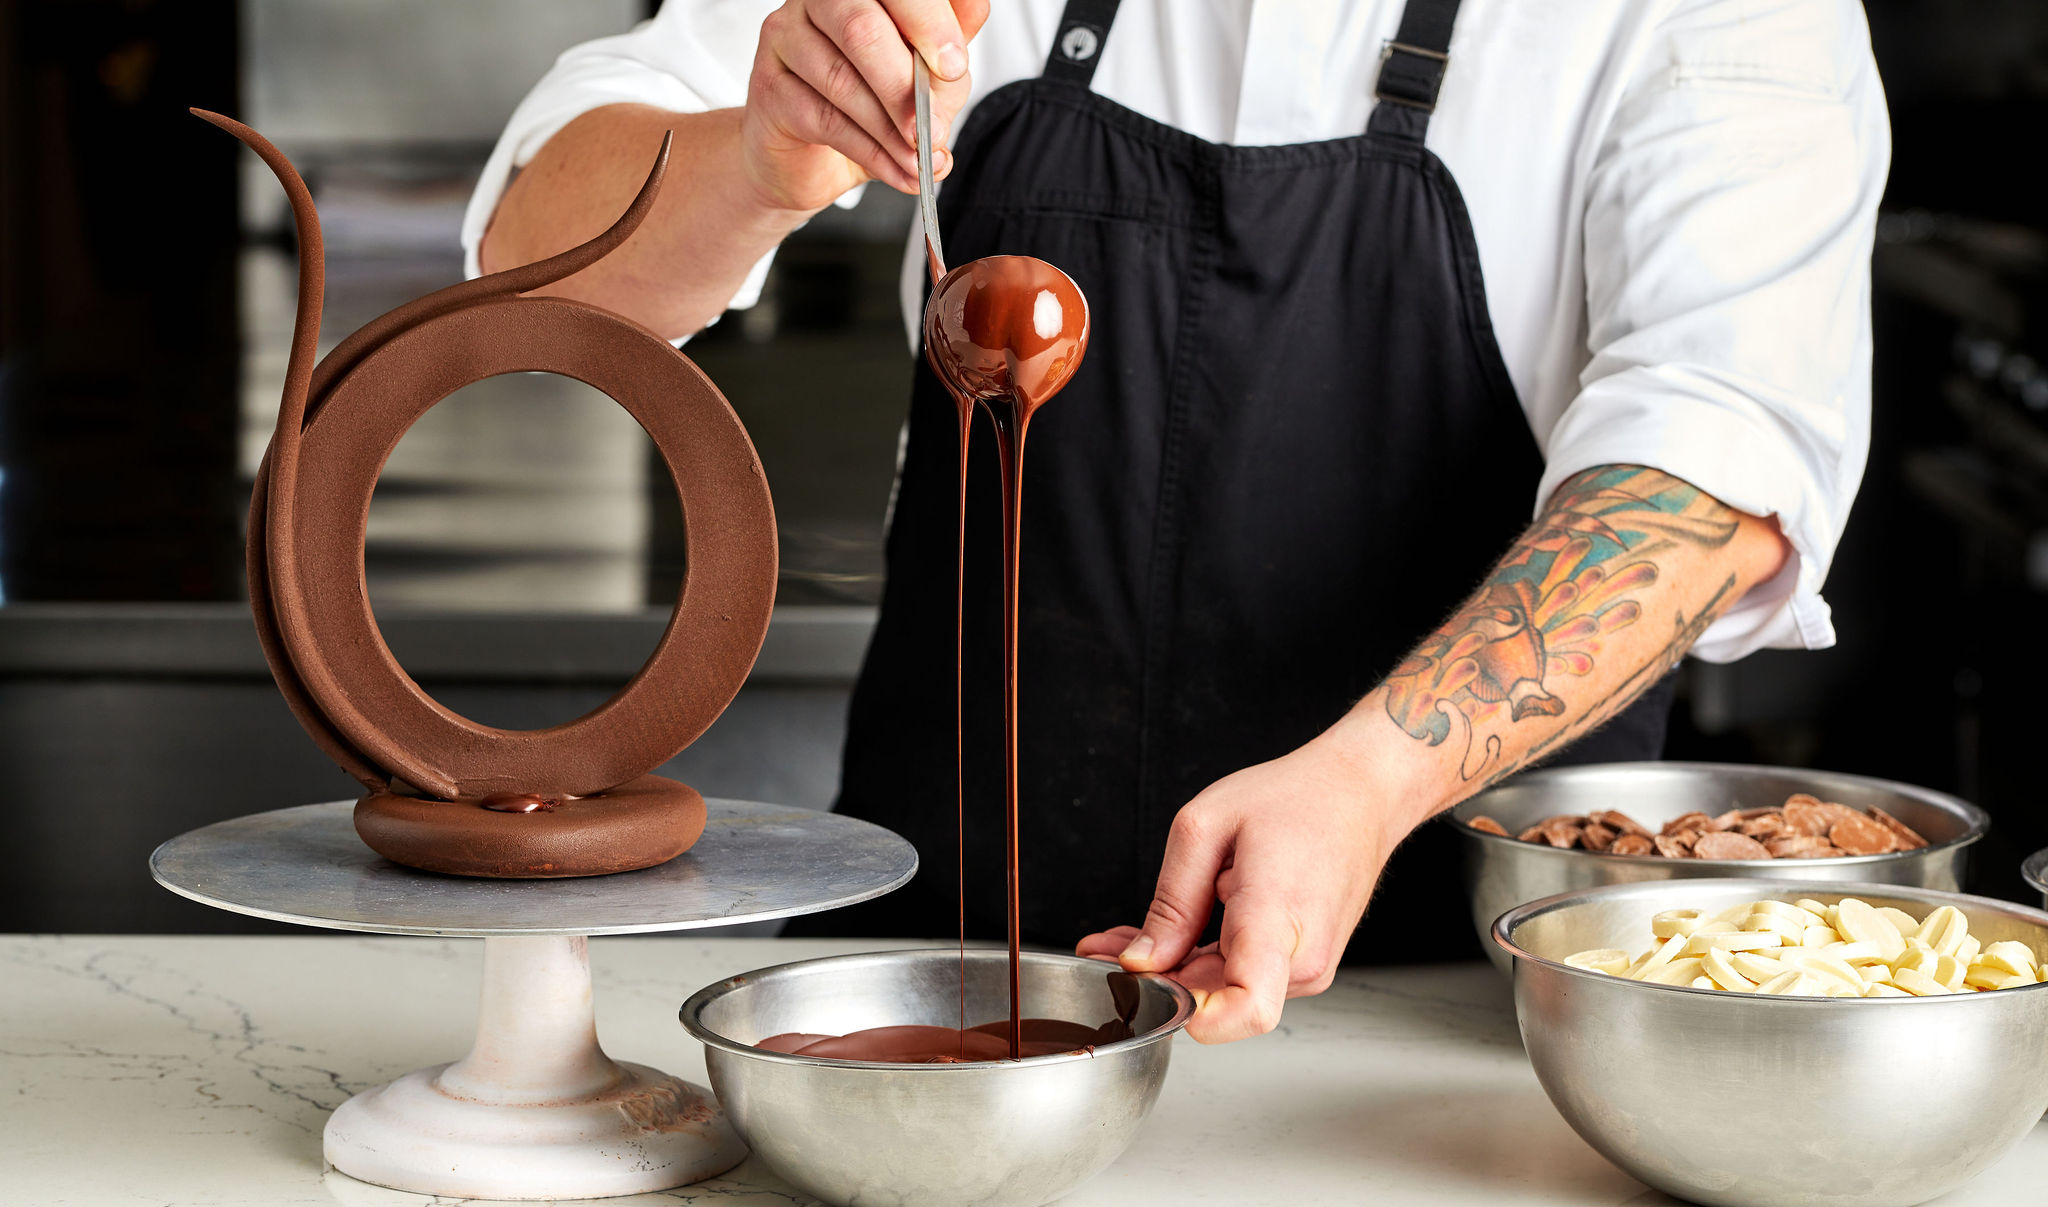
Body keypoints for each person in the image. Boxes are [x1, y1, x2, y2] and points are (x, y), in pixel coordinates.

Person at [468, 0, 1886, 1042]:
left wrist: (1370, 780)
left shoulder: (1710, 18)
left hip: (1447, 1045)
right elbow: (535, 267)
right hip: (925, 1012)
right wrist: (758, 153)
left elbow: (1712, 482)